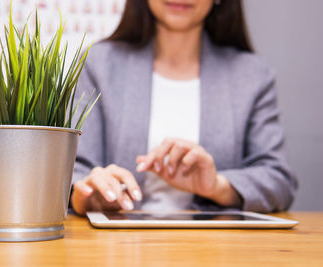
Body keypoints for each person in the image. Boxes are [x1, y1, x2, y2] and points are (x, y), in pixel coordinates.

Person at [70, 0, 297, 215]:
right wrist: (88, 194)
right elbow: (72, 173)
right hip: (117, 248)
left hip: (215, 250)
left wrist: (217, 186)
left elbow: (279, 181)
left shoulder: (252, 75)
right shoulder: (97, 65)